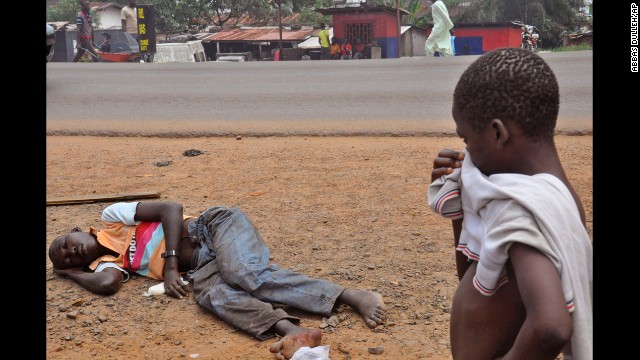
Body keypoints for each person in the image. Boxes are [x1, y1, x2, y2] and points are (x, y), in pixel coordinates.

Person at [49, 201, 386, 360]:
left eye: (65, 244)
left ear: (78, 230)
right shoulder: (108, 265)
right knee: (213, 298)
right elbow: (107, 286)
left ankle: (349, 295)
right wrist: (73, 274)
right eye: (68, 259)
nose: (71, 252)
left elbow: (170, 208)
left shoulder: (112, 219)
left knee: (245, 274)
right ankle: (291, 331)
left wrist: (168, 266)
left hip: (213, 228)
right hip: (201, 268)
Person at [427, 48, 592, 359]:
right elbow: (477, 278)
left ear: (497, 133)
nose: (466, 151)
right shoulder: (555, 200)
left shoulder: (521, 211)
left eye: (467, 140)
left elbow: (552, 325)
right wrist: (463, 207)